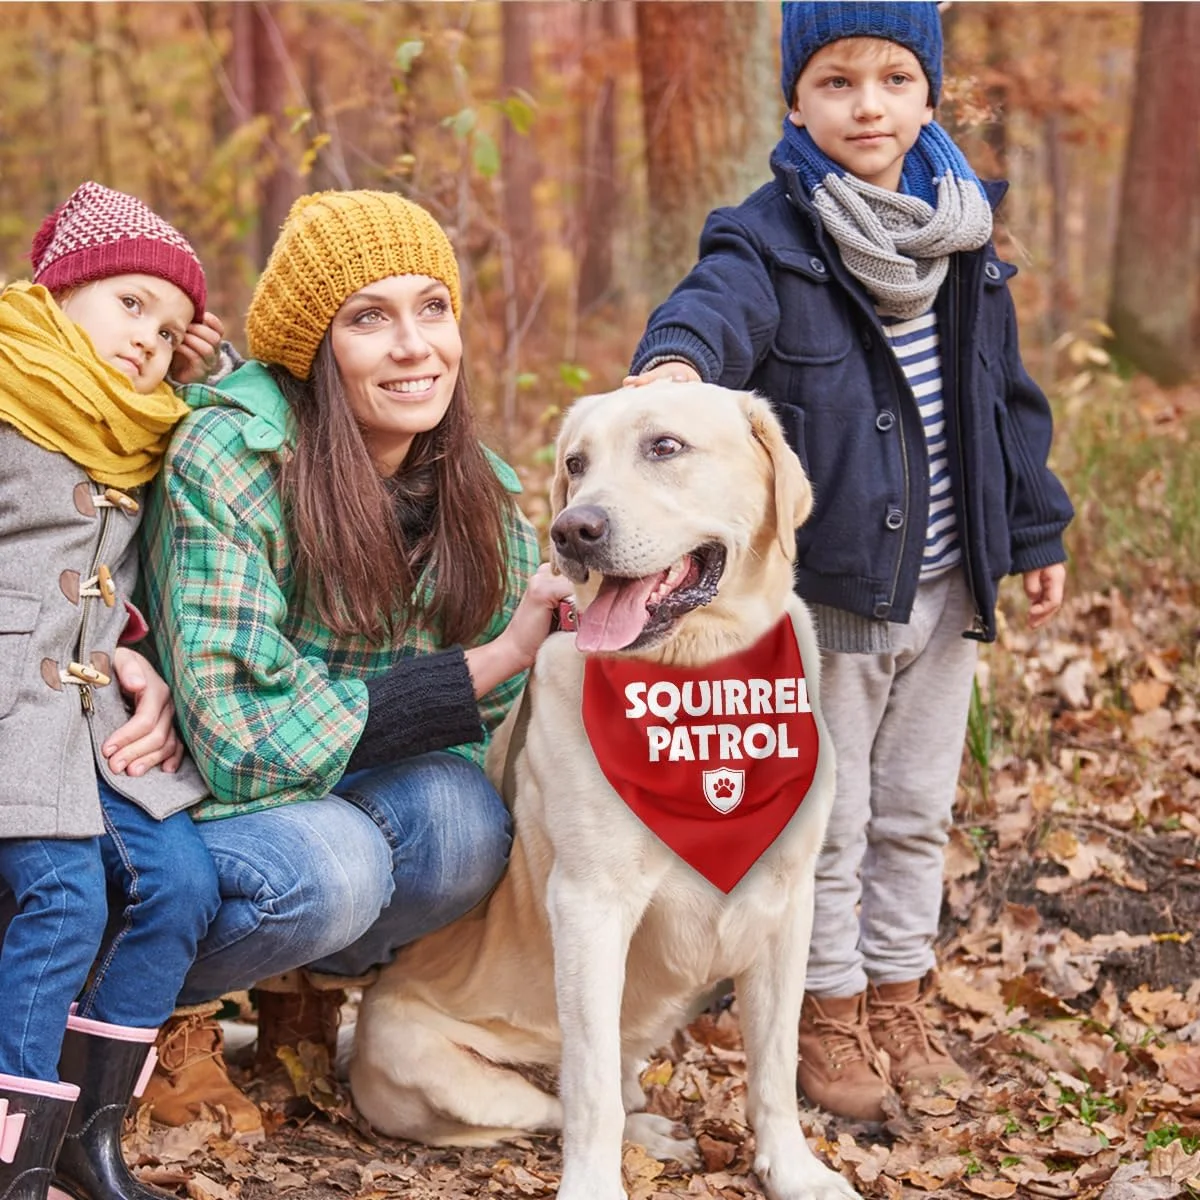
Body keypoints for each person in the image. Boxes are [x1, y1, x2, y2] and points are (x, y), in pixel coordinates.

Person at [626, 2, 1073, 1122]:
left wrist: (1034, 530)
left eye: (891, 80)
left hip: (949, 578)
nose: (866, 105)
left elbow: (1004, 403)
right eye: (836, 82)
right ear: (795, 100)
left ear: (930, 95)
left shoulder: (963, 237)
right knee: (831, 817)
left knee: (918, 811)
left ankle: (897, 998)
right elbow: (711, 306)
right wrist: (678, 364)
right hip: (835, 593)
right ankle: (824, 1013)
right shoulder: (769, 235)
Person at [138, 189, 572, 1123]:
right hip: (191, 802)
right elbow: (239, 737)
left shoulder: (478, 492)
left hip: (331, 777)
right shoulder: (231, 456)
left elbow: (471, 737)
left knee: (462, 827)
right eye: (370, 318)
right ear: (313, 348)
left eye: (433, 308)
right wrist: (490, 662)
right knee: (337, 866)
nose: (416, 346)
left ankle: (301, 991)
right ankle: (156, 1018)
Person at [0, 181, 227, 1200]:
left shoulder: (141, 427)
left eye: (169, 326)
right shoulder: (11, 385)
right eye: (130, 302)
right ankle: (13, 1152)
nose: (148, 337)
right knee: (62, 896)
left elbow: (109, 568)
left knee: (180, 883)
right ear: (65, 287)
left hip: (85, 716)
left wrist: (130, 639)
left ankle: (89, 1138)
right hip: (11, 709)